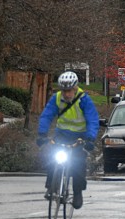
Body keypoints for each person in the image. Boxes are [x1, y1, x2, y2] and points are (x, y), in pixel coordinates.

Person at [37, 71, 99, 209]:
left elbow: (92, 120)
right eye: (64, 91)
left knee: (78, 165)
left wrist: (90, 139)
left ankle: (77, 193)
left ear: (75, 88)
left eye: (69, 91)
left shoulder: (84, 100)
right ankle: (51, 187)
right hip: (62, 134)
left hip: (80, 136)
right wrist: (42, 134)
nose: (66, 94)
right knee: (53, 158)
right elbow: (46, 116)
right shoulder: (56, 98)